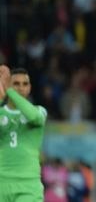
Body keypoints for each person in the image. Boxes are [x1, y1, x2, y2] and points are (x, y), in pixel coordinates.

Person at [0, 66, 48, 202]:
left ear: (30, 88)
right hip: (2, 183)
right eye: (16, 84)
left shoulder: (39, 111)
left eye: (25, 84)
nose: (21, 88)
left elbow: (34, 117)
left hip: (28, 185)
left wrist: (9, 90)